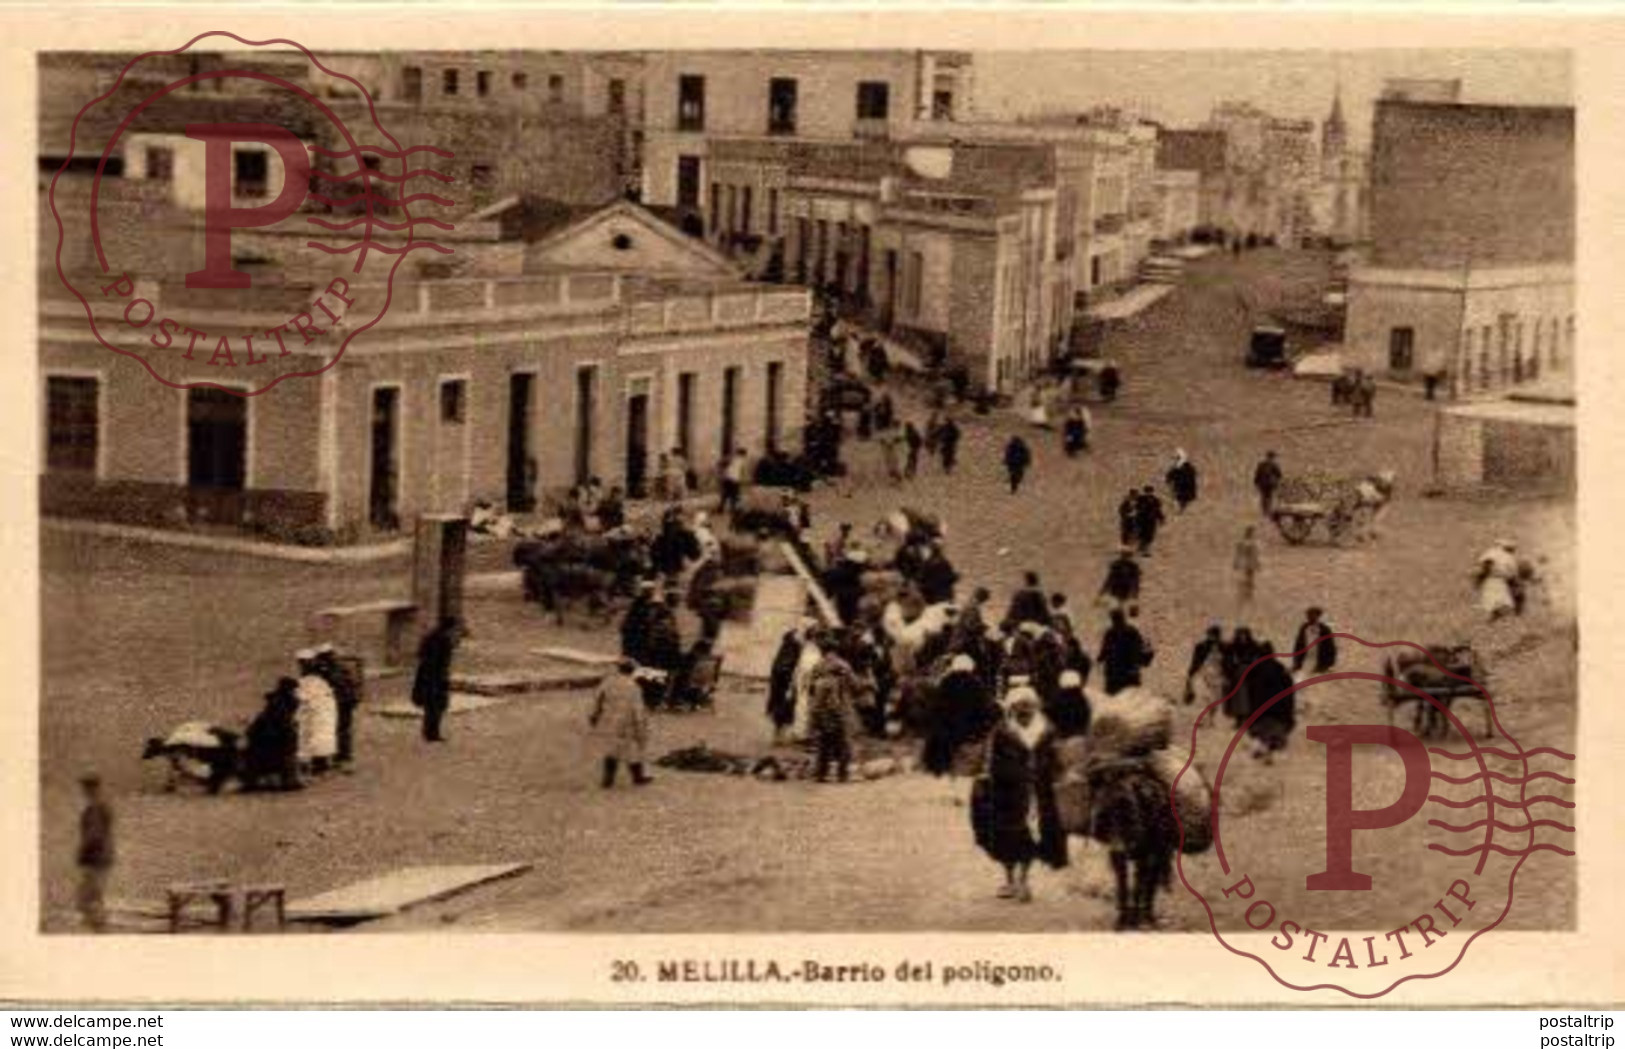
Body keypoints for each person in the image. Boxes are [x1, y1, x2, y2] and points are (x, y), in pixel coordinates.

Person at [972, 687, 1067, 902]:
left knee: (1031, 837)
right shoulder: (1002, 732)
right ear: (1012, 709)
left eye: (1028, 707)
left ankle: (1023, 880)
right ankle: (1009, 879)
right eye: (1018, 707)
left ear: (1035, 707)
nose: (1024, 711)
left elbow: (1056, 760)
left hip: (1038, 793)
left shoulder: (1047, 731)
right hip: (1007, 794)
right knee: (1006, 837)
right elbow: (990, 762)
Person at [590, 659, 654, 788]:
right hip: (626, 722)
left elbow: (598, 699)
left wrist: (594, 716)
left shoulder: (607, 683)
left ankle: (608, 779)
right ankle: (638, 777)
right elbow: (637, 709)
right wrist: (641, 726)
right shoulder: (634, 687)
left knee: (611, 749)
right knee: (632, 750)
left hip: (608, 719)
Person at [807, 634, 861, 783]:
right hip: (841, 708)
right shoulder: (843, 665)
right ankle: (842, 774)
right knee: (844, 742)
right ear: (835, 649)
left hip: (821, 709)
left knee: (824, 741)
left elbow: (810, 688)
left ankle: (820, 774)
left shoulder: (817, 666)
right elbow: (856, 685)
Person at [1239, 642, 1297, 764]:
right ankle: (1268, 751)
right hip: (1279, 713)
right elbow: (1290, 694)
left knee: (1263, 734)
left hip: (1261, 713)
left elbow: (1249, 694)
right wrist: (1289, 713)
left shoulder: (1255, 671)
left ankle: (1263, 750)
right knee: (1273, 735)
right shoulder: (1281, 671)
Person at [242, 679, 302, 792]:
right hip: (272, 744)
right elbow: (285, 731)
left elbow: (254, 729)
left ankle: (256, 780)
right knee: (288, 750)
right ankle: (288, 780)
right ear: (290, 691)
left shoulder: (274, 705)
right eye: (295, 691)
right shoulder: (283, 707)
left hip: (262, 744)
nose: (296, 694)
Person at [412, 616, 463, 743]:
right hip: (435, 677)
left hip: (428, 675)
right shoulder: (443, 640)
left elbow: (421, 654)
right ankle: (432, 733)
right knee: (435, 705)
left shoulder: (432, 637)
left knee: (432, 706)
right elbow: (437, 662)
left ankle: (430, 732)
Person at [313, 643, 363, 769]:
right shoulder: (331, 667)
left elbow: (340, 684)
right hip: (340, 701)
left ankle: (343, 756)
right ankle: (339, 755)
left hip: (343, 702)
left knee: (342, 729)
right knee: (338, 729)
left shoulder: (336, 668)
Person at [75, 773, 114, 933]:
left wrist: (82, 850)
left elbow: (94, 834)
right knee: (92, 894)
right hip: (101, 856)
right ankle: (96, 924)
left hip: (96, 857)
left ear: (93, 788)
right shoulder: (101, 805)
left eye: (87, 787)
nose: (84, 791)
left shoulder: (95, 807)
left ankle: (98, 927)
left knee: (90, 896)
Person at [294, 649, 339, 775]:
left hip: (318, 706)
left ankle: (317, 765)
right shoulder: (321, 675)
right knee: (318, 735)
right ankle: (319, 764)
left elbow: (304, 696)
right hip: (322, 706)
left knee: (313, 735)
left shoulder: (313, 678)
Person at [1098, 608, 1154, 695]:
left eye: (1116, 619)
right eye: (1115, 619)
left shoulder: (1130, 633)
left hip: (1126, 676)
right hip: (1117, 677)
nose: (1115, 622)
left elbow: (1138, 650)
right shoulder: (1111, 634)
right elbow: (1105, 650)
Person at [767, 625, 806, 744]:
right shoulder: (793, 649)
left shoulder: (786, 649)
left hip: (781, 685)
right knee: (783, 710)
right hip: (785, 685)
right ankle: (779, 736)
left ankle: (779, 735)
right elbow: (786, 668)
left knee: (782, 711)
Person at [1184, 624, 1228, 721]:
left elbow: (1228, 662)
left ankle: (1211, 718)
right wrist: (1190, 675)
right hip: (1204, 674)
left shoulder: (1224, 647)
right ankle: (1205, 718)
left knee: (1216, 698)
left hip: (1218, 675)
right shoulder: (1201, 647)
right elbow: (1195, 662)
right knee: (1205, 696)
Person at [1474, 539, 1523, 621]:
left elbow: (1485, 565)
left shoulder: (1492, 553)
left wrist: (1480, 577)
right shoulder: (1508, 557)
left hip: (1494, 580)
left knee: (1494, 599)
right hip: (1499, 580)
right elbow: (1513, 573)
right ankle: (1496, 614)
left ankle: (1495, 614)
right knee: (1498, 600)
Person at [1291, 607, 1338, 681]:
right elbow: (1298, 645)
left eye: (1313, 615)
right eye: (1309, 615)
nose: (1310, 617)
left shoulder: (1325, 630)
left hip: (1319, 663)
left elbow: (1330, 648)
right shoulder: (1304, 628)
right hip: (1305, 662)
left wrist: (1327, 664)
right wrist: (1296, 663)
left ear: (1318, 616)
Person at [1046, 669, 1092, 739]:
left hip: (1062, 734)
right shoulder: (1081, 698)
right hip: (1079, 734)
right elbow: (1086, 714)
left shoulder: (1058, 698)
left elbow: (1051, 713)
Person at [1233, 526, 1262, 615]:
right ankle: (1248, 592)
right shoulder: (1251, 543)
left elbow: (1238, 553)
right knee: (1249, 576)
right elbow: (1254, 554)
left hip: (1247, 562)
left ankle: (1248, 591)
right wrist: (1257, 563)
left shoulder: (1243, 542)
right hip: (1249, 562)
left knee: (1249, 576)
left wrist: (1236, 562)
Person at [1134, 484, 1165, 557]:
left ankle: (1145, 549)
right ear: (1145, 491)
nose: (1148, 493)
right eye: (1147, 491)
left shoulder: (1155, 500)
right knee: (1142, 534)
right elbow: (1136, 508)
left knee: (1150, 535)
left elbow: (1158, 510)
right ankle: (1142, 547)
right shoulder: (1140, 499)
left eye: (1150, 491)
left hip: (1151, 521)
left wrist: (1161, 518)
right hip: (1142, 520)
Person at [719, 449, 749, 514]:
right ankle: (732, 509)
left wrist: (722, 473)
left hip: (727, 478)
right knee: (734, 495)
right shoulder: (742, 460)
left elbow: (722, 463)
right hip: (734, 480)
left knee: (725, 494)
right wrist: (744, 480)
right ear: (743, 454)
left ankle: (721, 508)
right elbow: (743, 472)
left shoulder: (732, 458)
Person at [1253, 451, 1283, 516]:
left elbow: (1257, 474)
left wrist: (1256, 483)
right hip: (1270, 484)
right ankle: (1268, 510)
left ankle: (1264, 510)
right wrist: (1276, 481)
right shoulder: (1274, 465)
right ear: (1273, 457)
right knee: (1269, 497)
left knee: (1263, 496)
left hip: (1262, 484)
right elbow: (1279, 475)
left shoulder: (1261, 464)